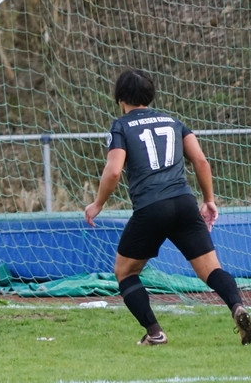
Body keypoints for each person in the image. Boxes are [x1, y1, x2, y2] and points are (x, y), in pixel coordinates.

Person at [85, 68, 251, 346]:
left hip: (152, 207)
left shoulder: (121, 126)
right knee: (212, 270)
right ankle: (238, 307)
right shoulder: (174, 122)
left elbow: (113, 172)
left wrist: (97, 203)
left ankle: (155, 333)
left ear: (120, 97)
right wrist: (208, 200)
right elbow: (201, 161)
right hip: (185, 203)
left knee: (125, 273)